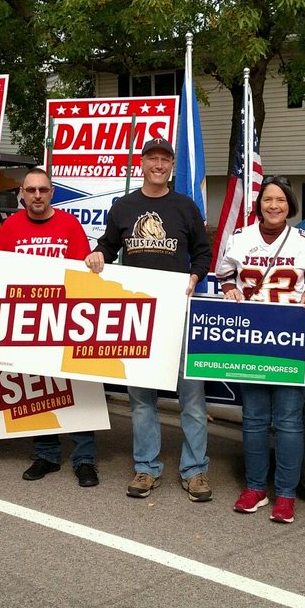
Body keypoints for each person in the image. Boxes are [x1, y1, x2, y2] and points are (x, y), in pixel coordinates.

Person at [84, 137, 213, 501]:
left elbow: (203, 252)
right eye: (152, 158)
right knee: (141, 400)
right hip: (139, 318)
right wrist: (97, 254)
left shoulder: (185, 207)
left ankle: (195, 470)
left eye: (165, 159)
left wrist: (195, 276)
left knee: (192, 398)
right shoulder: (124, 207)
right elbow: (109, 246)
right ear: (141, 163)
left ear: (171, 165)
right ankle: (146, 468)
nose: (158, 164)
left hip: (179, 314)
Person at [217, 175, 305, 524]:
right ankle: (255, 488)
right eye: (267, 199)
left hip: (290, 339)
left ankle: (286, 494)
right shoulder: (240, 238)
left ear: (290, 205)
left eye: (280, 200)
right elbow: (224, 274)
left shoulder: (303, 241)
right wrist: (229, 289)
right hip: (251, 338)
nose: (273, 205)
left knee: (289, 421)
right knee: (255, 419)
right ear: (258, 205)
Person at [0, 167, 99, 488]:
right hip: (28, 324)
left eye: (43, 189)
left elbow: (84, 275)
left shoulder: (69, 225)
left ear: (52, 193)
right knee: (38, 390)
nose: (37, 195)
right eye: (31, 190)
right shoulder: (10, 227)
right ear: (22, 194)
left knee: (78, 389)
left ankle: (84, 459)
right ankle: (47, 454)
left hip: (66, 322)